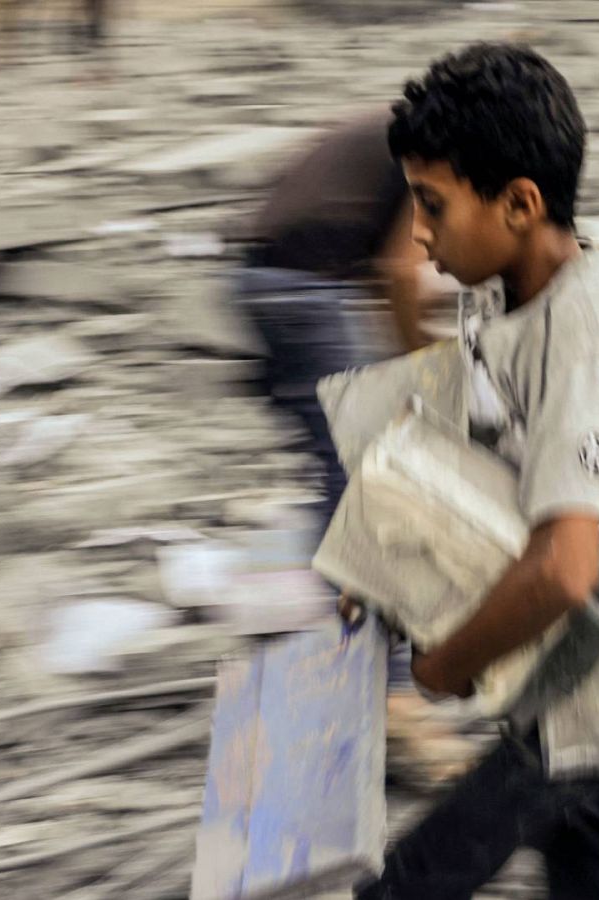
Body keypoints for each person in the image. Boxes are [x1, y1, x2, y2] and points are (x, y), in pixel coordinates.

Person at [354, 43, 599, 900]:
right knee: (585, 861)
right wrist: (384, 574)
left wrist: (443, 668)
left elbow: (564, 567)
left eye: (433, 205)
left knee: (413, 883)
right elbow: (487, 460)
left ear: (519, 204)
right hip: (577, 639)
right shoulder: (506, 294)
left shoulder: (577, 337)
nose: (419, 233)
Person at [235, 114, 462, 785]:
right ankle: (387, 699)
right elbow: (399, 272)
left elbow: (369, 264)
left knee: (338, 477)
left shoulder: (394, 134)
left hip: (255, 281)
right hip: (305, 292)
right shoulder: (445, 146)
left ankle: (352, 662)